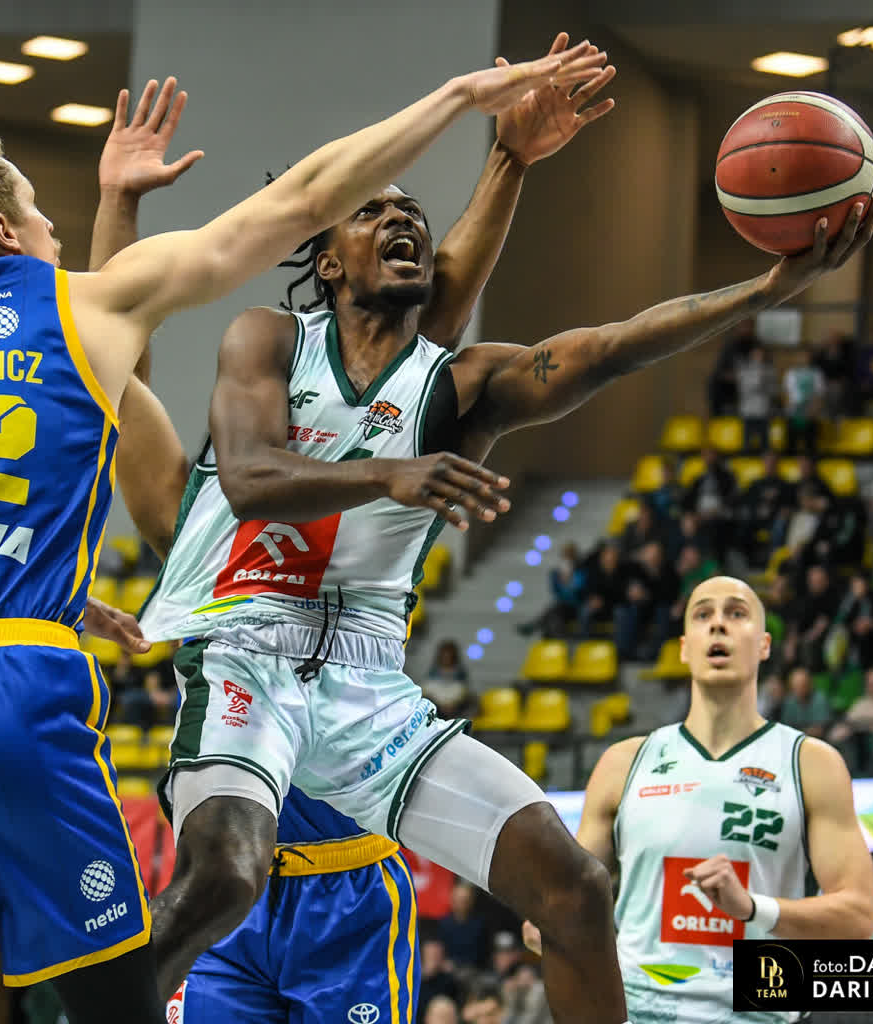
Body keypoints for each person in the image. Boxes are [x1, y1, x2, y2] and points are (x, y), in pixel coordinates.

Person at [0, 51, 608, 1024]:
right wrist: (457, 100)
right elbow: (142, 351)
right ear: (4, 229)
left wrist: (118, 205)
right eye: (38, 208)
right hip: (24, 695)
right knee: (115, 993)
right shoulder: (142, 413)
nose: (52, 228)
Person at [134, 80, 873, 1021]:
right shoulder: (271, 338)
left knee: (575, 889)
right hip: (250, 651)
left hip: (368, 682)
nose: (400, 218)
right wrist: (391, 475)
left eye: (412, 211)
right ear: (325, 259)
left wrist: (764, 291)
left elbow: (609, 347)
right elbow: (246, 475)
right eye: (371, 211)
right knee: (225, 877)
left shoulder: (460, 386)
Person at [82, 47, 614, 1024]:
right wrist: (117, 205)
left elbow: (428, 326)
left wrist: (508, 162)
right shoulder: (189, 525)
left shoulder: (377, 432)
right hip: (236, 909)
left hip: (349, 886)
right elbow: (118, 363)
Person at [523, 576, 873, 1024]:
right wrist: (552, 924)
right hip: (636, 1012)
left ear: (764, 645)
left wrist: (752, 908)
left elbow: (858, 916)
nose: (718, 625)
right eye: (703, 614)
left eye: (737, 613)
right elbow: (560, 907)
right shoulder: (623, 763)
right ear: (685, 647)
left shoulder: (810, 763)